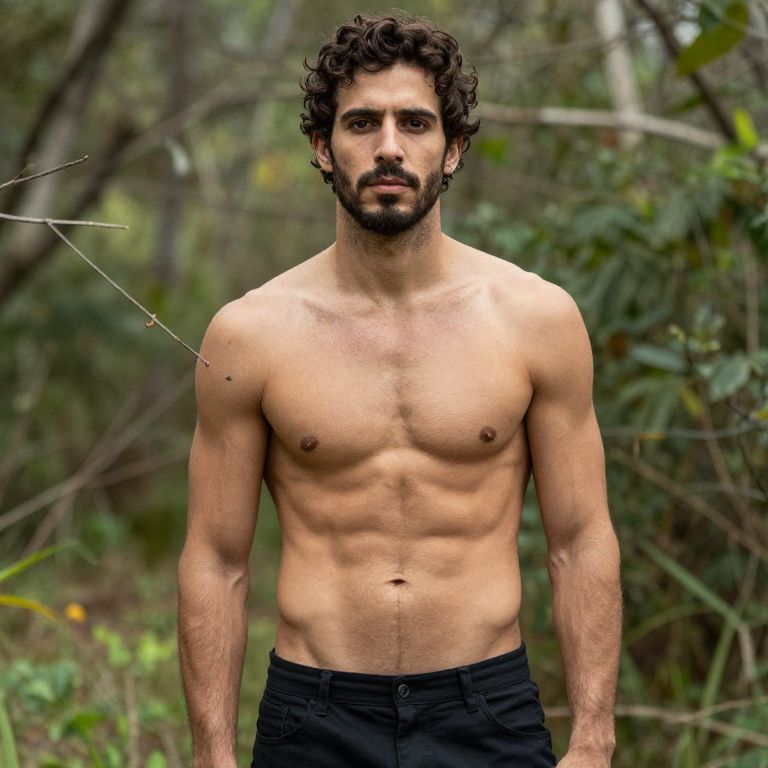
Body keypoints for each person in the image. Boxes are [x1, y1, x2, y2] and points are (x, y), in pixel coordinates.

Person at [177, 11, 622, 768]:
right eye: (361, 123)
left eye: (414, 122)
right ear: (323, 147)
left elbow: (579, 542)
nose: (389, 146)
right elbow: (216, 560)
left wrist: (594, 739)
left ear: (452, 150)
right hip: (312, 716)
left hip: (488, 710)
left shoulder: (536, 320)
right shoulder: (250, 335)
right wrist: (212, 755)